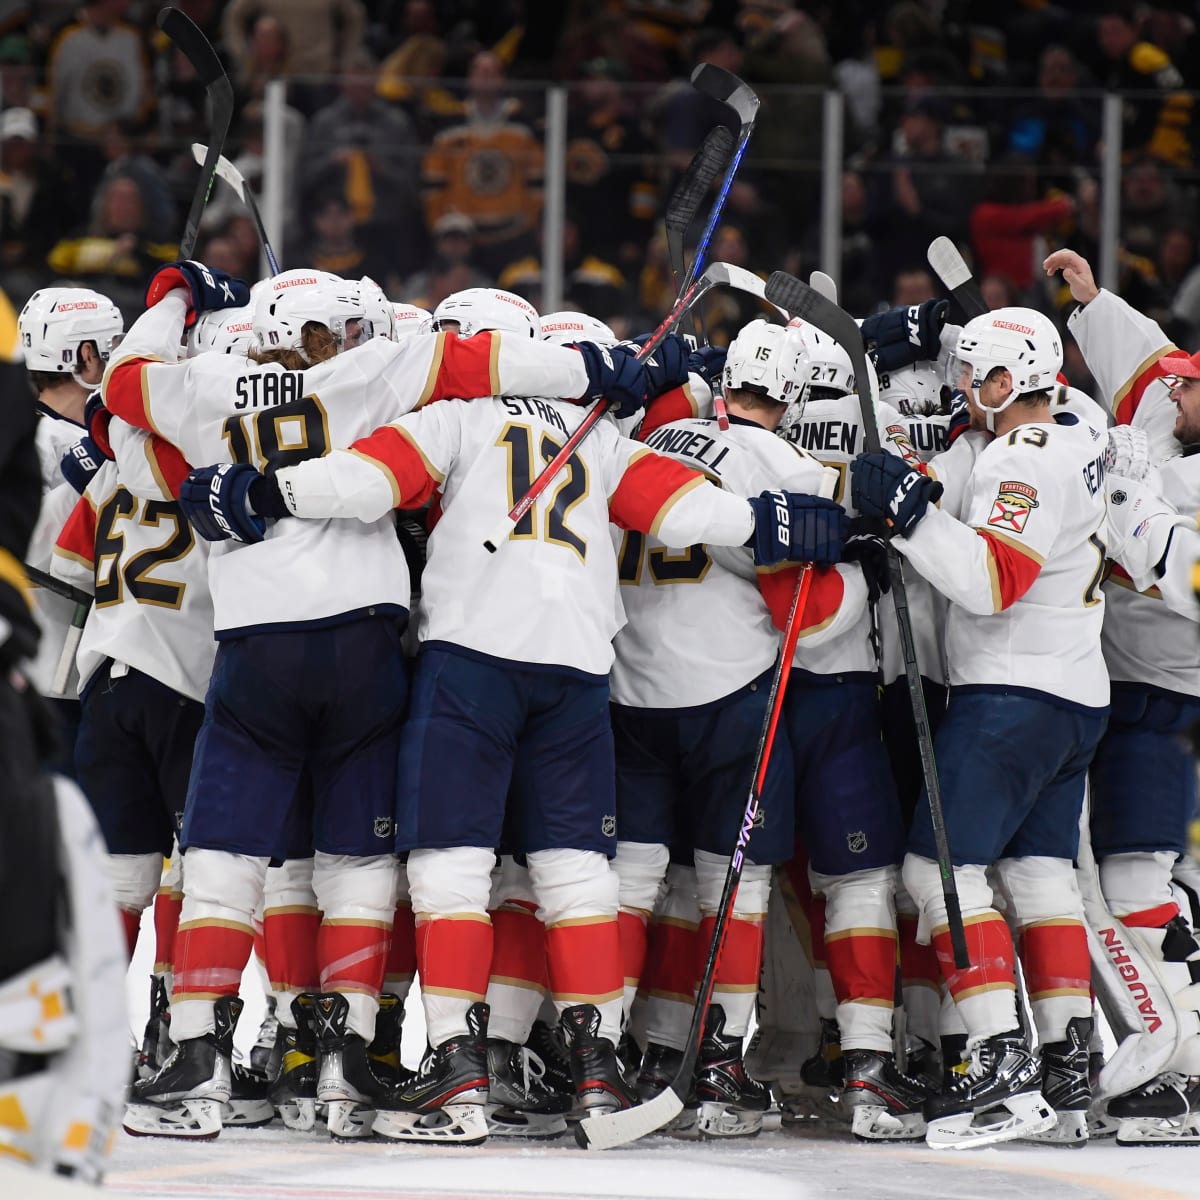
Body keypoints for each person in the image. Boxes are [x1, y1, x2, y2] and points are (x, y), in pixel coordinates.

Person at [174, 313, 847, 1146]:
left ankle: (458, 1069)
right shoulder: (596, 435)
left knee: (451, 869)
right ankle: (597, 1072)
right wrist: (777, 524)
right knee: (577, 873)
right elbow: (680, 513)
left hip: (473, 666)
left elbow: (365, 483)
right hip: (575, 673)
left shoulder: (460, 416)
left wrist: (261, 491)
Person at [853, 306, 1109, 1148]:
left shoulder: (1021, 455)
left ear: (1018, 380)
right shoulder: (1079, 431)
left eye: (981, 376)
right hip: (1073, 694)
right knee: (1039, 877)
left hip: (1013, 697)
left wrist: (910, 518)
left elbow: (992, 581)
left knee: (937, 875)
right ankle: (1071, 1062)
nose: (966, 387)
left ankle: (998, 1051)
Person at [608, 318, 863, 1138]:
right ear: (789, 396)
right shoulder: (792, 466)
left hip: (631, 689)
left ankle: (616, 1048)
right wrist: (868, 579)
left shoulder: (652, 436)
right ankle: (714, 1056)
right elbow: (812, 616)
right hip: (728, 695)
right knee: (733, 883)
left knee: (637, 879)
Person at [1047, 247, 1200, 1141]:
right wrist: (1095, 303)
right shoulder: (1172, 433)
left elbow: (1161, 555)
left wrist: (1121, 475)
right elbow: (1148, 372)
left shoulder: (1178, 474)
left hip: (1165, 706)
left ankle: (1168, 1069)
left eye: (1192, 387)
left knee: (1133, 885)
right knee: (1153, 889)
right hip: (1141, 697)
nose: (1174, 393)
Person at [17, 285, 125, 773]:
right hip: (48, 676)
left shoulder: (115, 434)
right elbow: (31, 559)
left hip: (110, 666)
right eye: (116, 346)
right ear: (87, 356)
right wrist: (88, 471)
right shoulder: (28, 439)